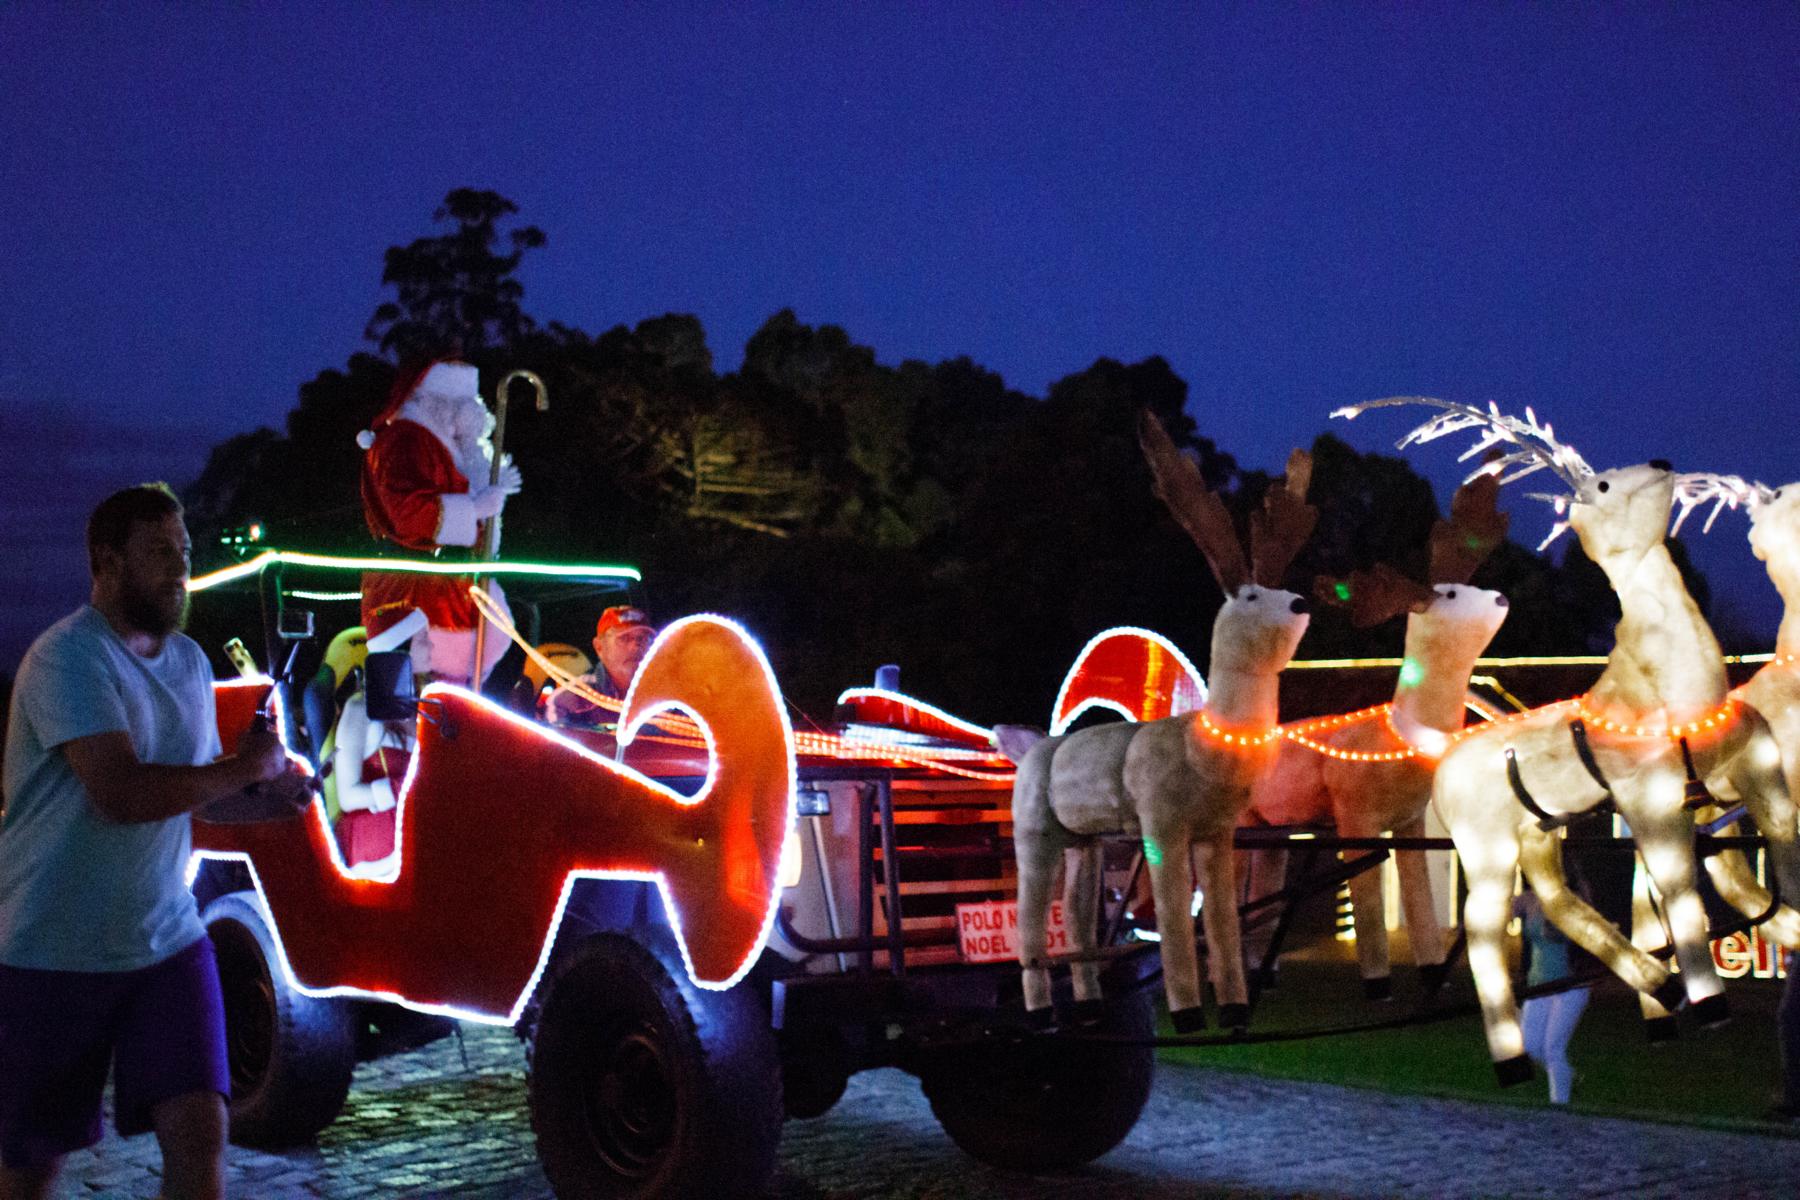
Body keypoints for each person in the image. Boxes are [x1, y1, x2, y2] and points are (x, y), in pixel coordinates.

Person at [0, 484, 306, 1200]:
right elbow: (124, 794)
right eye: (159, 551)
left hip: (165, 942)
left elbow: (194, 796)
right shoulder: (67, 658)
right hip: (53, 950)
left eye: (185, 551)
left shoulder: (191, 663)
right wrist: (240, 767)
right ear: (106, 562)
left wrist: (269, 796)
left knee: (202, 1132)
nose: (180, 569)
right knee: (33, 1167)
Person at [358, 357, 521, 687]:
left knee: (505, 643)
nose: (469, 413)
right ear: (434, 401)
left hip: (454, 583)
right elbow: (405, 512)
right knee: (420, 687)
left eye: (471, 404)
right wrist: (473, 509)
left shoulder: (450, 447)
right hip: (411, 588)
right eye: (459, 404)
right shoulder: (404, 440)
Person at [1516, 864, 1593, 1106]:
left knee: (1552, 1049)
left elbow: (1565, 936)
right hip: (1538, 984)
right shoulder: (1529, 899)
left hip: (1570, 985)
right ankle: (1567, 1076)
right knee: (1530, 1047)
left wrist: (1555, 923)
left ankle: (1559, 1105)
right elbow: (1500, 909)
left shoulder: (1574, 901)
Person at [544, 606, 656, 726]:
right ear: (599, 647)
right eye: (624, 638)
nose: (636, 646)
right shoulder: (569, 700)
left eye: (642, 639)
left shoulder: (666, 694)